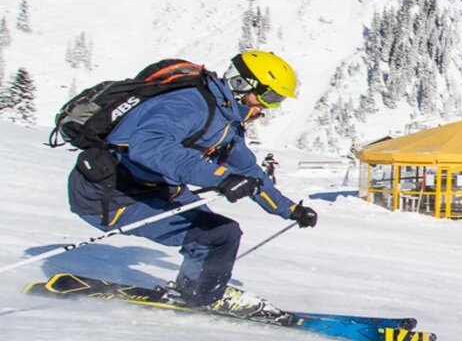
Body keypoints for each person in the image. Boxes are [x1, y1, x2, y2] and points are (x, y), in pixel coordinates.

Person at [65, 50, 318, 319]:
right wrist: (220, 177)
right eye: (270, 97)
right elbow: (149, 146)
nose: (270, 108)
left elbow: (249, 171)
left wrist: (289, 209)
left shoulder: (227, 123)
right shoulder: (189, 104)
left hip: (154, 190)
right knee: (218, 236)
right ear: (242, 84)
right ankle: (202, 297)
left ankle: (194, 290)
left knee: (218, 235)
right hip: (110, 195)